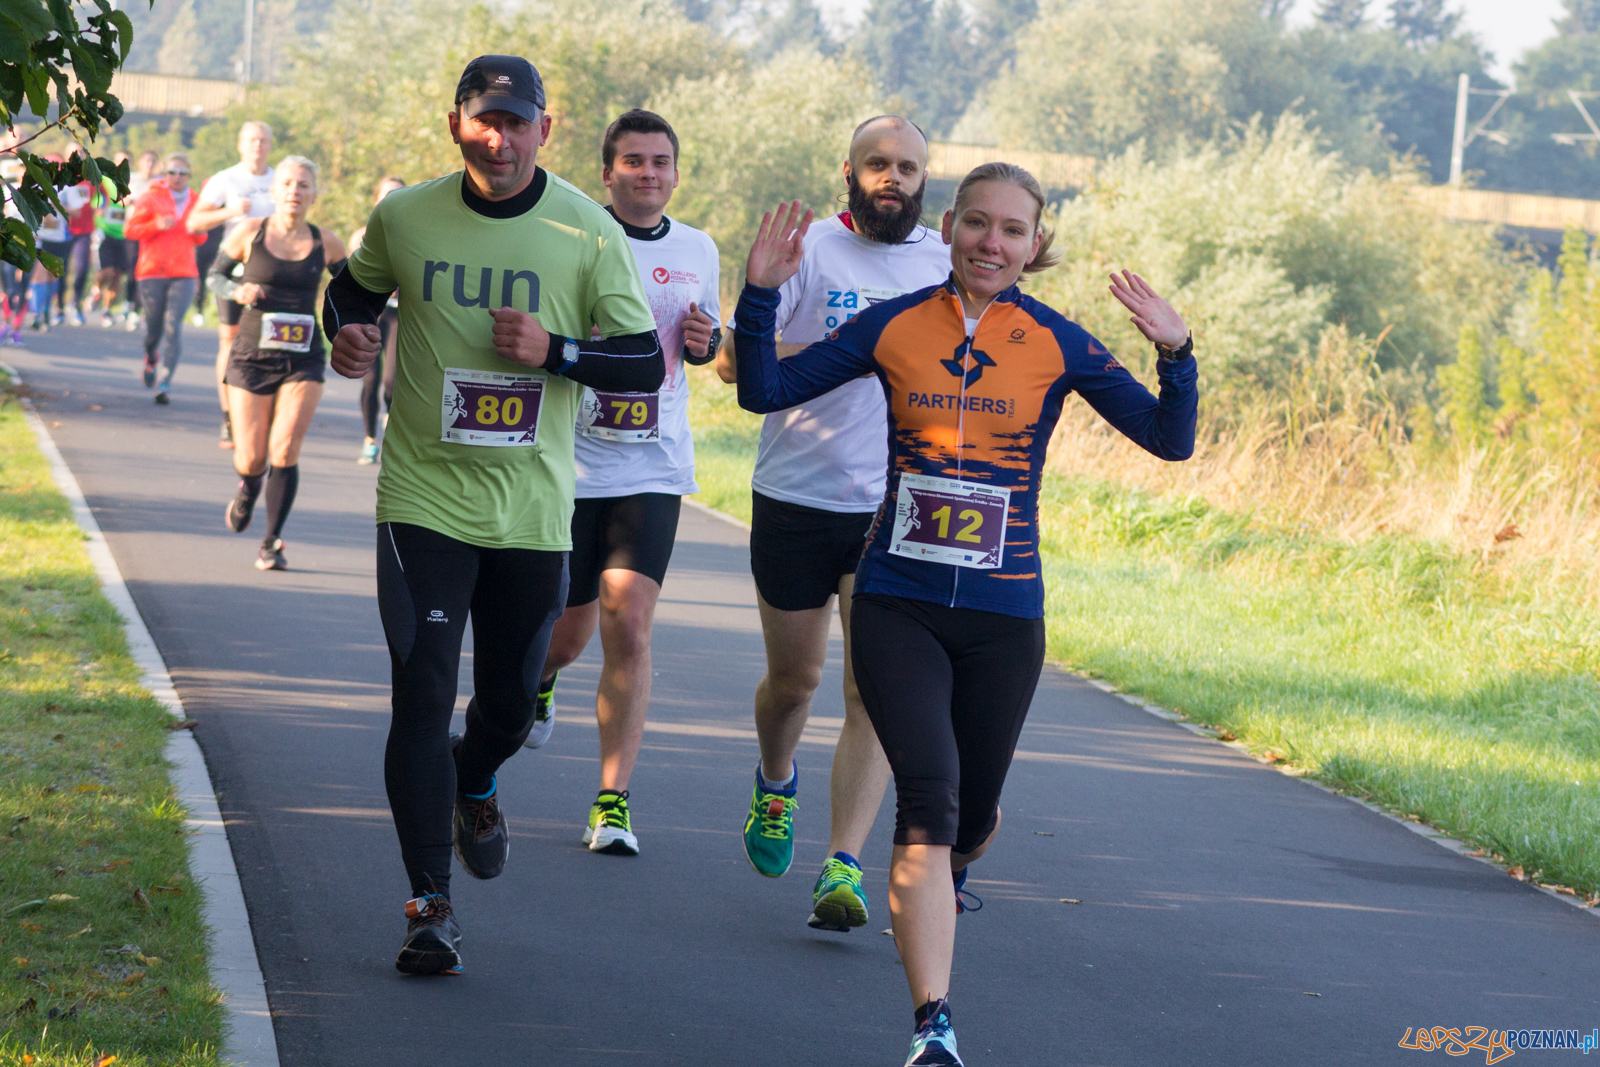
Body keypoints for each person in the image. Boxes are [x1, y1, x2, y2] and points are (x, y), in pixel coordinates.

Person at [733, 167, 1198, 1066]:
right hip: (897, 599)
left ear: (1034, 244)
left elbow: (1169, 440)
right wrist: (759, 295)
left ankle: (948, 879)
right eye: (976, 223)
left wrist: (1176, 356)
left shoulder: (1056, 341)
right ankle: (932, 1021)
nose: (992, 242)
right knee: (929, 798)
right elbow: (762, 389)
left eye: (1012, 230)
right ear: (948, 228)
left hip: (1003, 615)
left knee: (973, 813)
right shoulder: (897, 323)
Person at [321, 54, 662, 976]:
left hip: (531, 514)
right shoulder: (407, 215)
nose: (499, 139)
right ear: (456, 125)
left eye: (517, 123)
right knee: (423, 691)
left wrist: (558, 350)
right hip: (422, 498)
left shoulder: (586, 231)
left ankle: (479, 779)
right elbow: (353, 290)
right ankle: (429, 902)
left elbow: (643, 365)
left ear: (544, 130)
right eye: (484, 122)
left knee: (507, 705)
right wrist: (344, 333)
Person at [715, 116, 950, 933]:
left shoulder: (942, 264)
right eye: (877, 163)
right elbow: (737, 366)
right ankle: (775, 780)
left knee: (870, 688)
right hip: (794, 495)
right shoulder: (806, 248)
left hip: (894, 505)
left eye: (907, 166)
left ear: (927, 178)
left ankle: (842, 862)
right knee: (797, 682)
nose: (892, 177)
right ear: (848, 171)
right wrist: (760, 309)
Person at [523, 109, 720, 857]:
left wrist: (710, 342)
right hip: (570, 461)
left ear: (675, 171)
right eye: (632, 161)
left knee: (629, 623)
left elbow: (707, 339)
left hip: (653, 463)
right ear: (607, 172)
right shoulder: (572, 235)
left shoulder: (699, 247)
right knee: (567, 635)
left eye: (661, 161)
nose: (648, 173)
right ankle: (539, 681)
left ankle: (612, 801)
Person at [210, 157, 348, 570]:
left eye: (303, 185)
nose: (294, 191)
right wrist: (238, 291)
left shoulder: (328, 242)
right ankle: (249, 488)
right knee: (253, 458)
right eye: (287, 184)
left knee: (285, 448)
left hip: (302, 359)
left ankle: (271, 542)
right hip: (251, 357)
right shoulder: (250, 232)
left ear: (313, 195)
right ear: (274, 191)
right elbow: (214, 277)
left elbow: (353, 290)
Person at [189, 121, 276, 448]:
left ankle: (260, 416)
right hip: (234, 268)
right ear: (241, 144)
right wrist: (227, 212)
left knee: (268, 343)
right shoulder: (227, 178)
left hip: (270, 273)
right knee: (230, 341)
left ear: (271, 144)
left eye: (264, 140)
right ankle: (229, 418)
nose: (258, 145)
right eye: (252, 140)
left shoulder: (280, 179)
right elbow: (194, 221)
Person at [124, 152, 205, 404]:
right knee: (154, 328)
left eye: (182, 173)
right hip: (152, 272)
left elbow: (200, 238)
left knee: (173, 327)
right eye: (172, 172)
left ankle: (166, 382)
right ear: (165, 174)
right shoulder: (150, 197)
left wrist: (199, 231)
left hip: (184, 273)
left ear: (189, 175)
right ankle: (151, 357)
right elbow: (130, 230)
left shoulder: (197, 200)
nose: (177, 178)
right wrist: (156, 225)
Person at [348, 175, 406, 464]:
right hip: (371, 314)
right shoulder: (360, 235)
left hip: (400, 315)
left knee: (392, 382)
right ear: (377, 200)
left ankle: (390, 431)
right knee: (369, 381)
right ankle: (370, 439)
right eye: (386, 195)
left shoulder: (417, 237)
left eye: (398, 194)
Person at [91, 152, 133, 327]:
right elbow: (95, 201)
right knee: (106, 271)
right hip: (105, 232)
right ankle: (96, 289)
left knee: (118, 275)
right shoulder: (104, 180)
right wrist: (99, 208)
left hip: (125, 234)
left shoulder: (134, 183)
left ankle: (107, 311)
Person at [123, 150, 160, 333]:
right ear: (140, 163)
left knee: (145, 271)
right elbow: (120, 199)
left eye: (153, 161)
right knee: (132, 269)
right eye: (147, 160)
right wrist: (130, 200)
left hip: (152, 232)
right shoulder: (132, 179)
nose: (149, 164)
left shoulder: (160, 182)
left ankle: (138, 310)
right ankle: (129, 302)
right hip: (133, 230)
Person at [60, 144, 96, 326]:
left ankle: (76, 303)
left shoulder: (92, 178)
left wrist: (102, 208)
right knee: (61, 269)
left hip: (84, 230)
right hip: (62, 230)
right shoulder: (59, 176)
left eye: (80, 152)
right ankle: (59, 307)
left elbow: (103, 198)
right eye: (72, 152)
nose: (77, 155)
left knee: (82, 268)